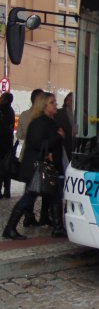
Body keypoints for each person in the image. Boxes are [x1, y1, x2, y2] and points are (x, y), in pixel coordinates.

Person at [2, 92, 65, 240]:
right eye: (52, 102)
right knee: (29, 198)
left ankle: (58, 228)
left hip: (47, 167)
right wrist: (58, 136)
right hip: (36, 168)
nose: (55, 104)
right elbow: (38, 144)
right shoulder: (39, 122)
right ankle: (10, 228)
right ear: (43, 105)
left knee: (55, 196)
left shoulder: (50, 121)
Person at [15, 88, 44, 226]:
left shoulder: (24, 115)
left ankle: (28, 214)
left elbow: (19, 135)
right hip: (37, 157)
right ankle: (28, 216)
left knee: (29, 187)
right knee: (34, 189)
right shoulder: (40, 116)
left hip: (25, 155)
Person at [0, 92, 16, 198]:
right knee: (6, 166)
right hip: (8, 142)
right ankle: (7, 190)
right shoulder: (11, 111)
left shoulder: (1, 109)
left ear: (4, 99)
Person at [54, 91, 74, 158]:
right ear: (67, 101)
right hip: (64, 147)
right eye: (71, 101)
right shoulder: (58, 113)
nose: (74, 103)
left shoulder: (84, 115)